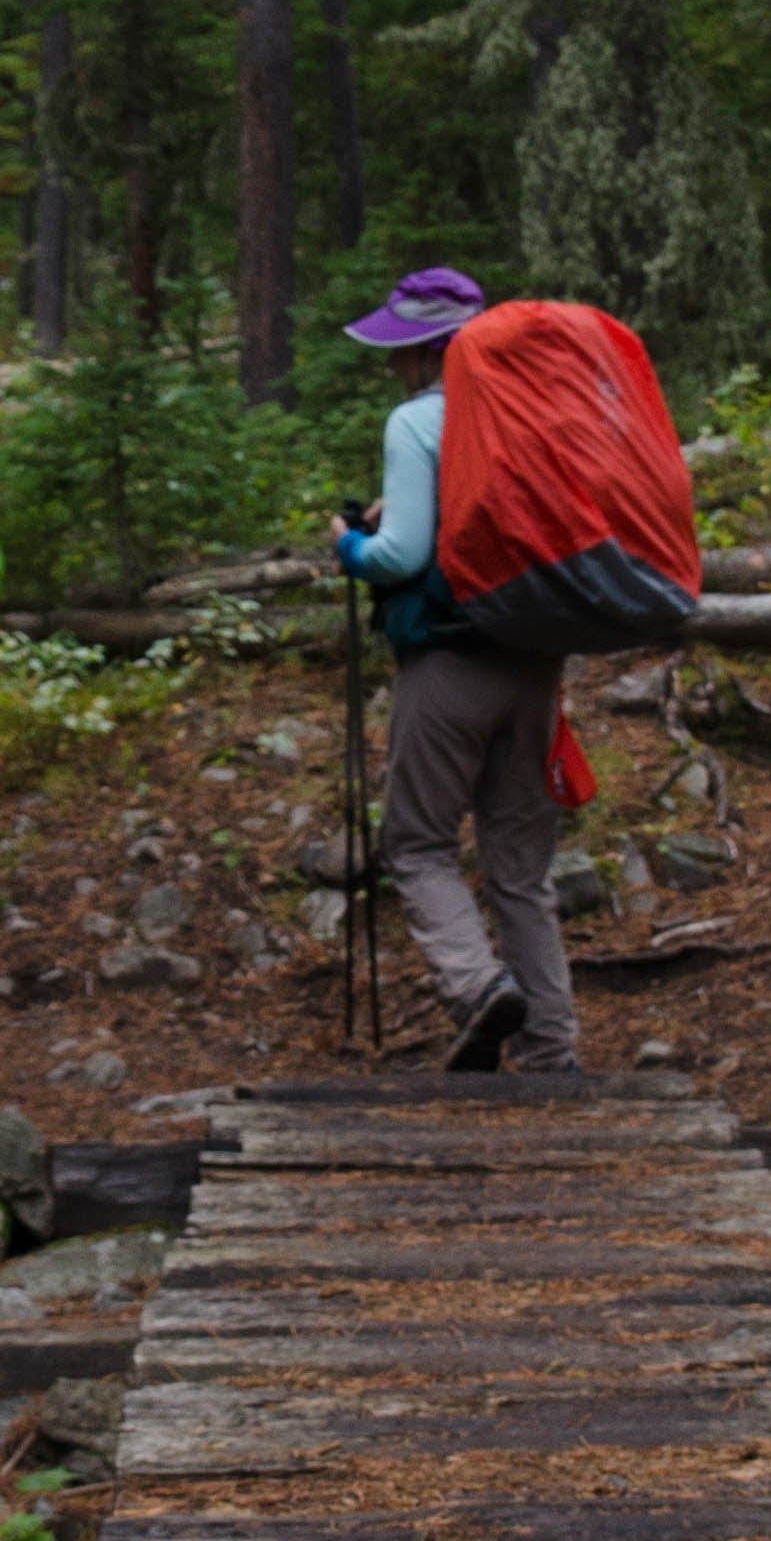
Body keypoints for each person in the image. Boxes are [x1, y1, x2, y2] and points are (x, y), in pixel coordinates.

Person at [328, 264, 579, 1075]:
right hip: (536, 659)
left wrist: (348, 547)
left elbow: (401, 555)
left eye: (400, 351)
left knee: (419, 843)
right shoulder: (531, 412)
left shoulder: (417, 422)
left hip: (447, 660)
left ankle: (477, 988)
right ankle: (550, 1052)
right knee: (521, 871)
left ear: (431, 350)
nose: (391, 364)